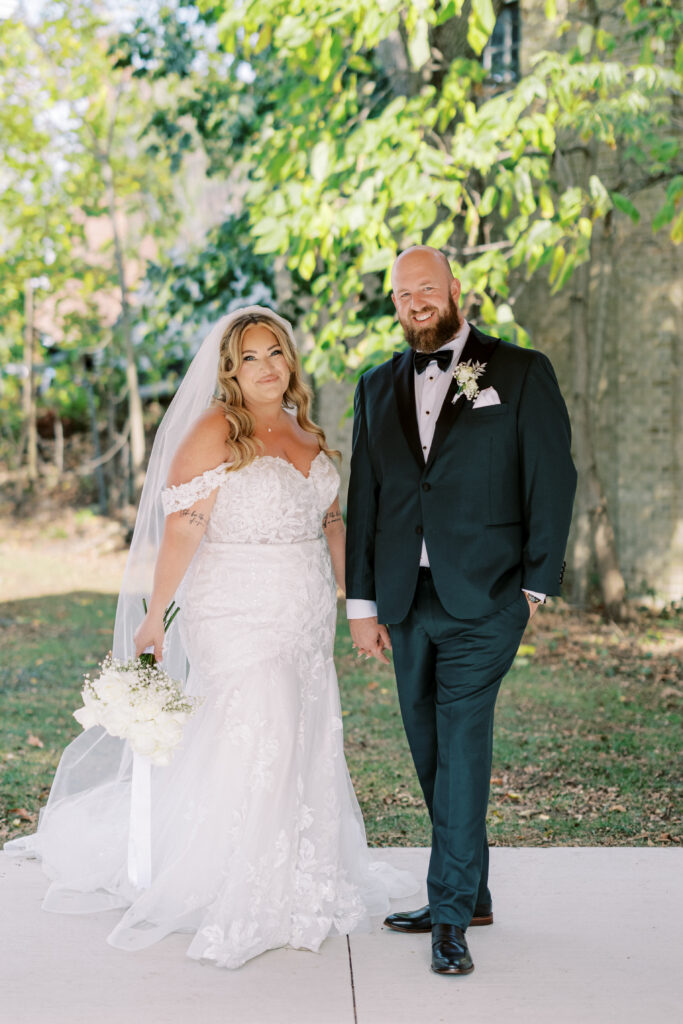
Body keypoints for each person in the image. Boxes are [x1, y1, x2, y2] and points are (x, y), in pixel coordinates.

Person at [5, 305, 415, 968]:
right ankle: (242, 887)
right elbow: (187, 529)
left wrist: (357, 606)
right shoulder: (214, 430)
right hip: (235, 607)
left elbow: (333, 522)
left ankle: (300, 872)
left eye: (275, 353)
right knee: (265, 727)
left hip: (303, 609)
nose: (266, 368)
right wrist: (154, 612)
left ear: (290, 360)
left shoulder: (304, 429)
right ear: (229, 368)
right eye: (250, 357)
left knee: (305, 731)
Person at [345, 247, 577, 976]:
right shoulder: (375, 386)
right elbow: (366, 499)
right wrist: (361, 602)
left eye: (425, 288)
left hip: (486, 598)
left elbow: (551, 475)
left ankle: (448, 916)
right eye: (400, 293)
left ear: (453, 289)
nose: (414, 301)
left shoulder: (517, 370)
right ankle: (470, 890)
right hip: (404, 601)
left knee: (462, 748)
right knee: (430, 750)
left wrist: (534, 585)